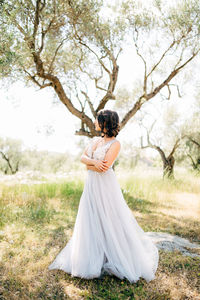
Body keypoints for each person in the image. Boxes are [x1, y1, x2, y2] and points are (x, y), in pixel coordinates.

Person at [48, 109, 159, 283]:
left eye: (97, 120)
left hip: (106, 186)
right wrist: (93, 162)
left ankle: (115, 255)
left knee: (109, 218)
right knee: (90, 217)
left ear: (105, 122)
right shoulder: (94, 140)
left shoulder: (115, 144)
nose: (95, 123)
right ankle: (93, 257)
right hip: (91, 185)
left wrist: (92, 164)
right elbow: (83, 158)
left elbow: (104, 168)